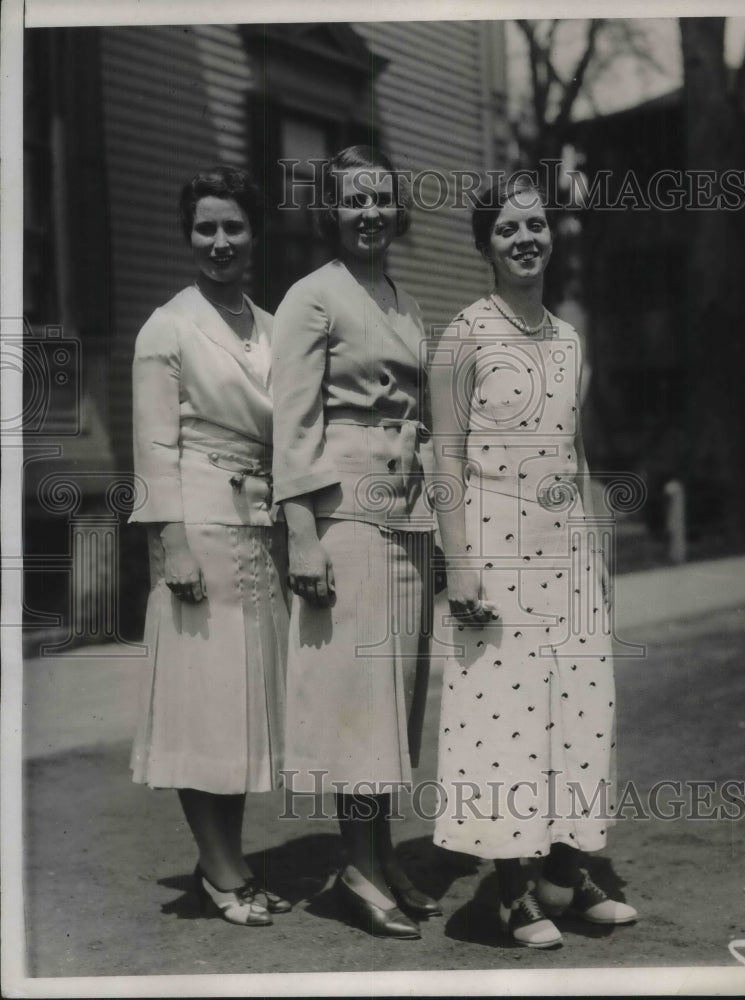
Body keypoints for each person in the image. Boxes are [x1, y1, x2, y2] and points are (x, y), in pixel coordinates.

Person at [429, 175, 637, 948]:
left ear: (552, 236)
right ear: (485, 243)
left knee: (579, 713)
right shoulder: (463, 335)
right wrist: (460, 567)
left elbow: (574, 449)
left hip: (566, 555)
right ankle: (510, 891)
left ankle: (565, 873)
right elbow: (444, 459)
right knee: (504, 721)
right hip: (494, 551)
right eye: (508, 228)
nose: (525, 239)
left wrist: (596, 545)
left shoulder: (568, 335)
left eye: (536, 225)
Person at [271, 145, 440, 940]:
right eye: (353, 202)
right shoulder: (313, 297)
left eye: (380, 200)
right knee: (356, 697)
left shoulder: (402, 300)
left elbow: (421, 409)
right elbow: (292, 424)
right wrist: (300, 533)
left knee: (396, 696)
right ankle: (357, 867)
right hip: (343, 512)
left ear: (394, 210)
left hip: (406, 510)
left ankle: (379, 854)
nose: (368, 214)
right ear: (331, 213)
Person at [129, 165, 291, 927]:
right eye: (205, 227)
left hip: (256, 524)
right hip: (197, 521)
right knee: (204, 703)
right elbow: (153, 448)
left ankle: (226, 859)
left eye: (232, 226)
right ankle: (223, 872)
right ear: (187, 234)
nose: (219, 241)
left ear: (253, 233)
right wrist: (173, 545)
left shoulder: (270, 323)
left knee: (238, 702)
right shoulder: (167, 327)